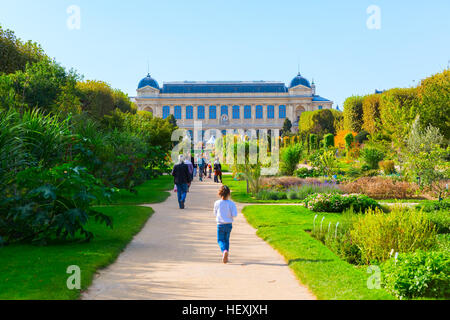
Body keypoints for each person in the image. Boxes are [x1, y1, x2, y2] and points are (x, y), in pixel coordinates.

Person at [213, 185, 238, 264]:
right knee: (226, 240)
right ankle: (226, 254)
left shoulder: (217, 203)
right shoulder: (231, 204)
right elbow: (234, 214)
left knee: (220, 240)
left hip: (220, 224)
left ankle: (224, 251)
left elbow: (215, 213)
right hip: (228, 224)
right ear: (229, 194)